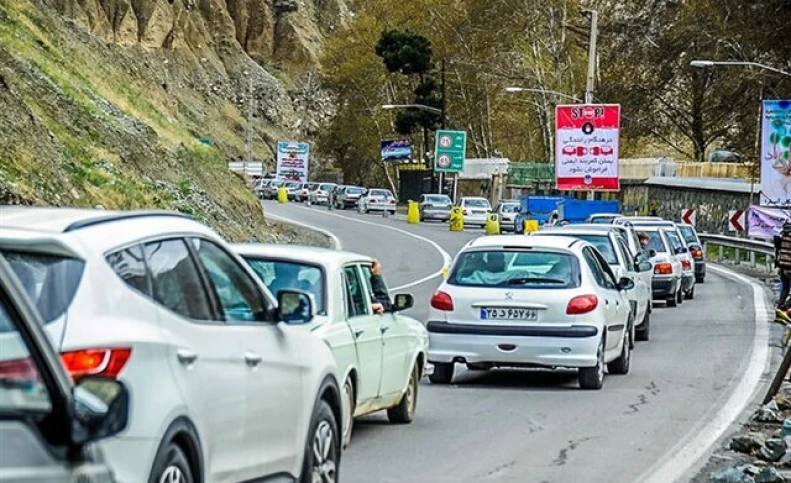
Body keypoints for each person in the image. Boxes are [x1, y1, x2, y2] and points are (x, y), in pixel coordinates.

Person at [775, 222, 791, 309]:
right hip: (789, 268)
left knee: (785, 288)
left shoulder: (781, 237)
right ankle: (786, 306)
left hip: (782, 267)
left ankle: (780, 305)